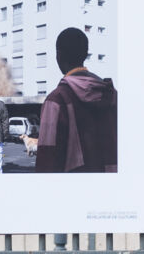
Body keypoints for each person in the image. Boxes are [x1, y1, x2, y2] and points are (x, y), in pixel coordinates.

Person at [36, 27, 118, 174]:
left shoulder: (56, 100)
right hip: (111, 188)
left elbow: (47, 159)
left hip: (74, 191)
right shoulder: (112, 96)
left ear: (58, 56)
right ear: (85, 54)